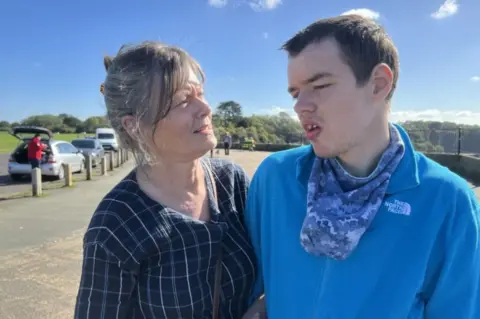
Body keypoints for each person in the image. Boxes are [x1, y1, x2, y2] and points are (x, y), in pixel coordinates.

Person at [245, 15, 480, 319]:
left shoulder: (448, 200)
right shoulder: (274, 177)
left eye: (320, 85)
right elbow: (254, 285)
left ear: (378, 85)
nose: (300, 106)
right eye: (295, 93)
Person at [74, 41, 259, 319]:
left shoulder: (232, 183)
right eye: (184, 100)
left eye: (201, 93)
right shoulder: (115, 225)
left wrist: (261, 306)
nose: (206, 108)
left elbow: (274, 269)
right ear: (134, 126)